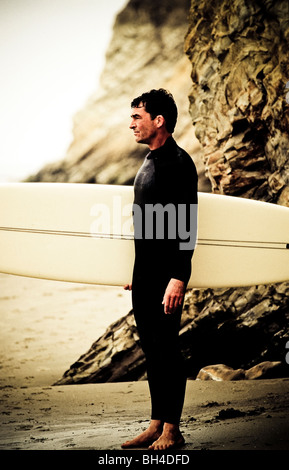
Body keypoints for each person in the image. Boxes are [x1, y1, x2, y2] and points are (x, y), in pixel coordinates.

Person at [122, 89, 198, 450]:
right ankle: (155, 424)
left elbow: (187, 225)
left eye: (137, 116)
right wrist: (136, 273)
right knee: (152, 350)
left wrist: (179, 276)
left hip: (168, 276)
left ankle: (172, 429)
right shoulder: (150, 162)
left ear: (159, 120)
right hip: (146, 275)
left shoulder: (178, 164)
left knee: (167, 349)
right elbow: (148, 227)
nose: (132, 123)